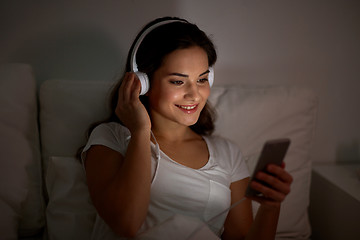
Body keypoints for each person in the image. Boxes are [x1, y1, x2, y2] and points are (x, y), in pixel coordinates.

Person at [80, 16, 293, 240]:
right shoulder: (111, 138)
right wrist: (141, 131)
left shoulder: (227, 153)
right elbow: (127, 224)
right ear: (143, 83)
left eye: (202, 80)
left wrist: (271, 207)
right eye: (178, 81)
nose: (194, 95)